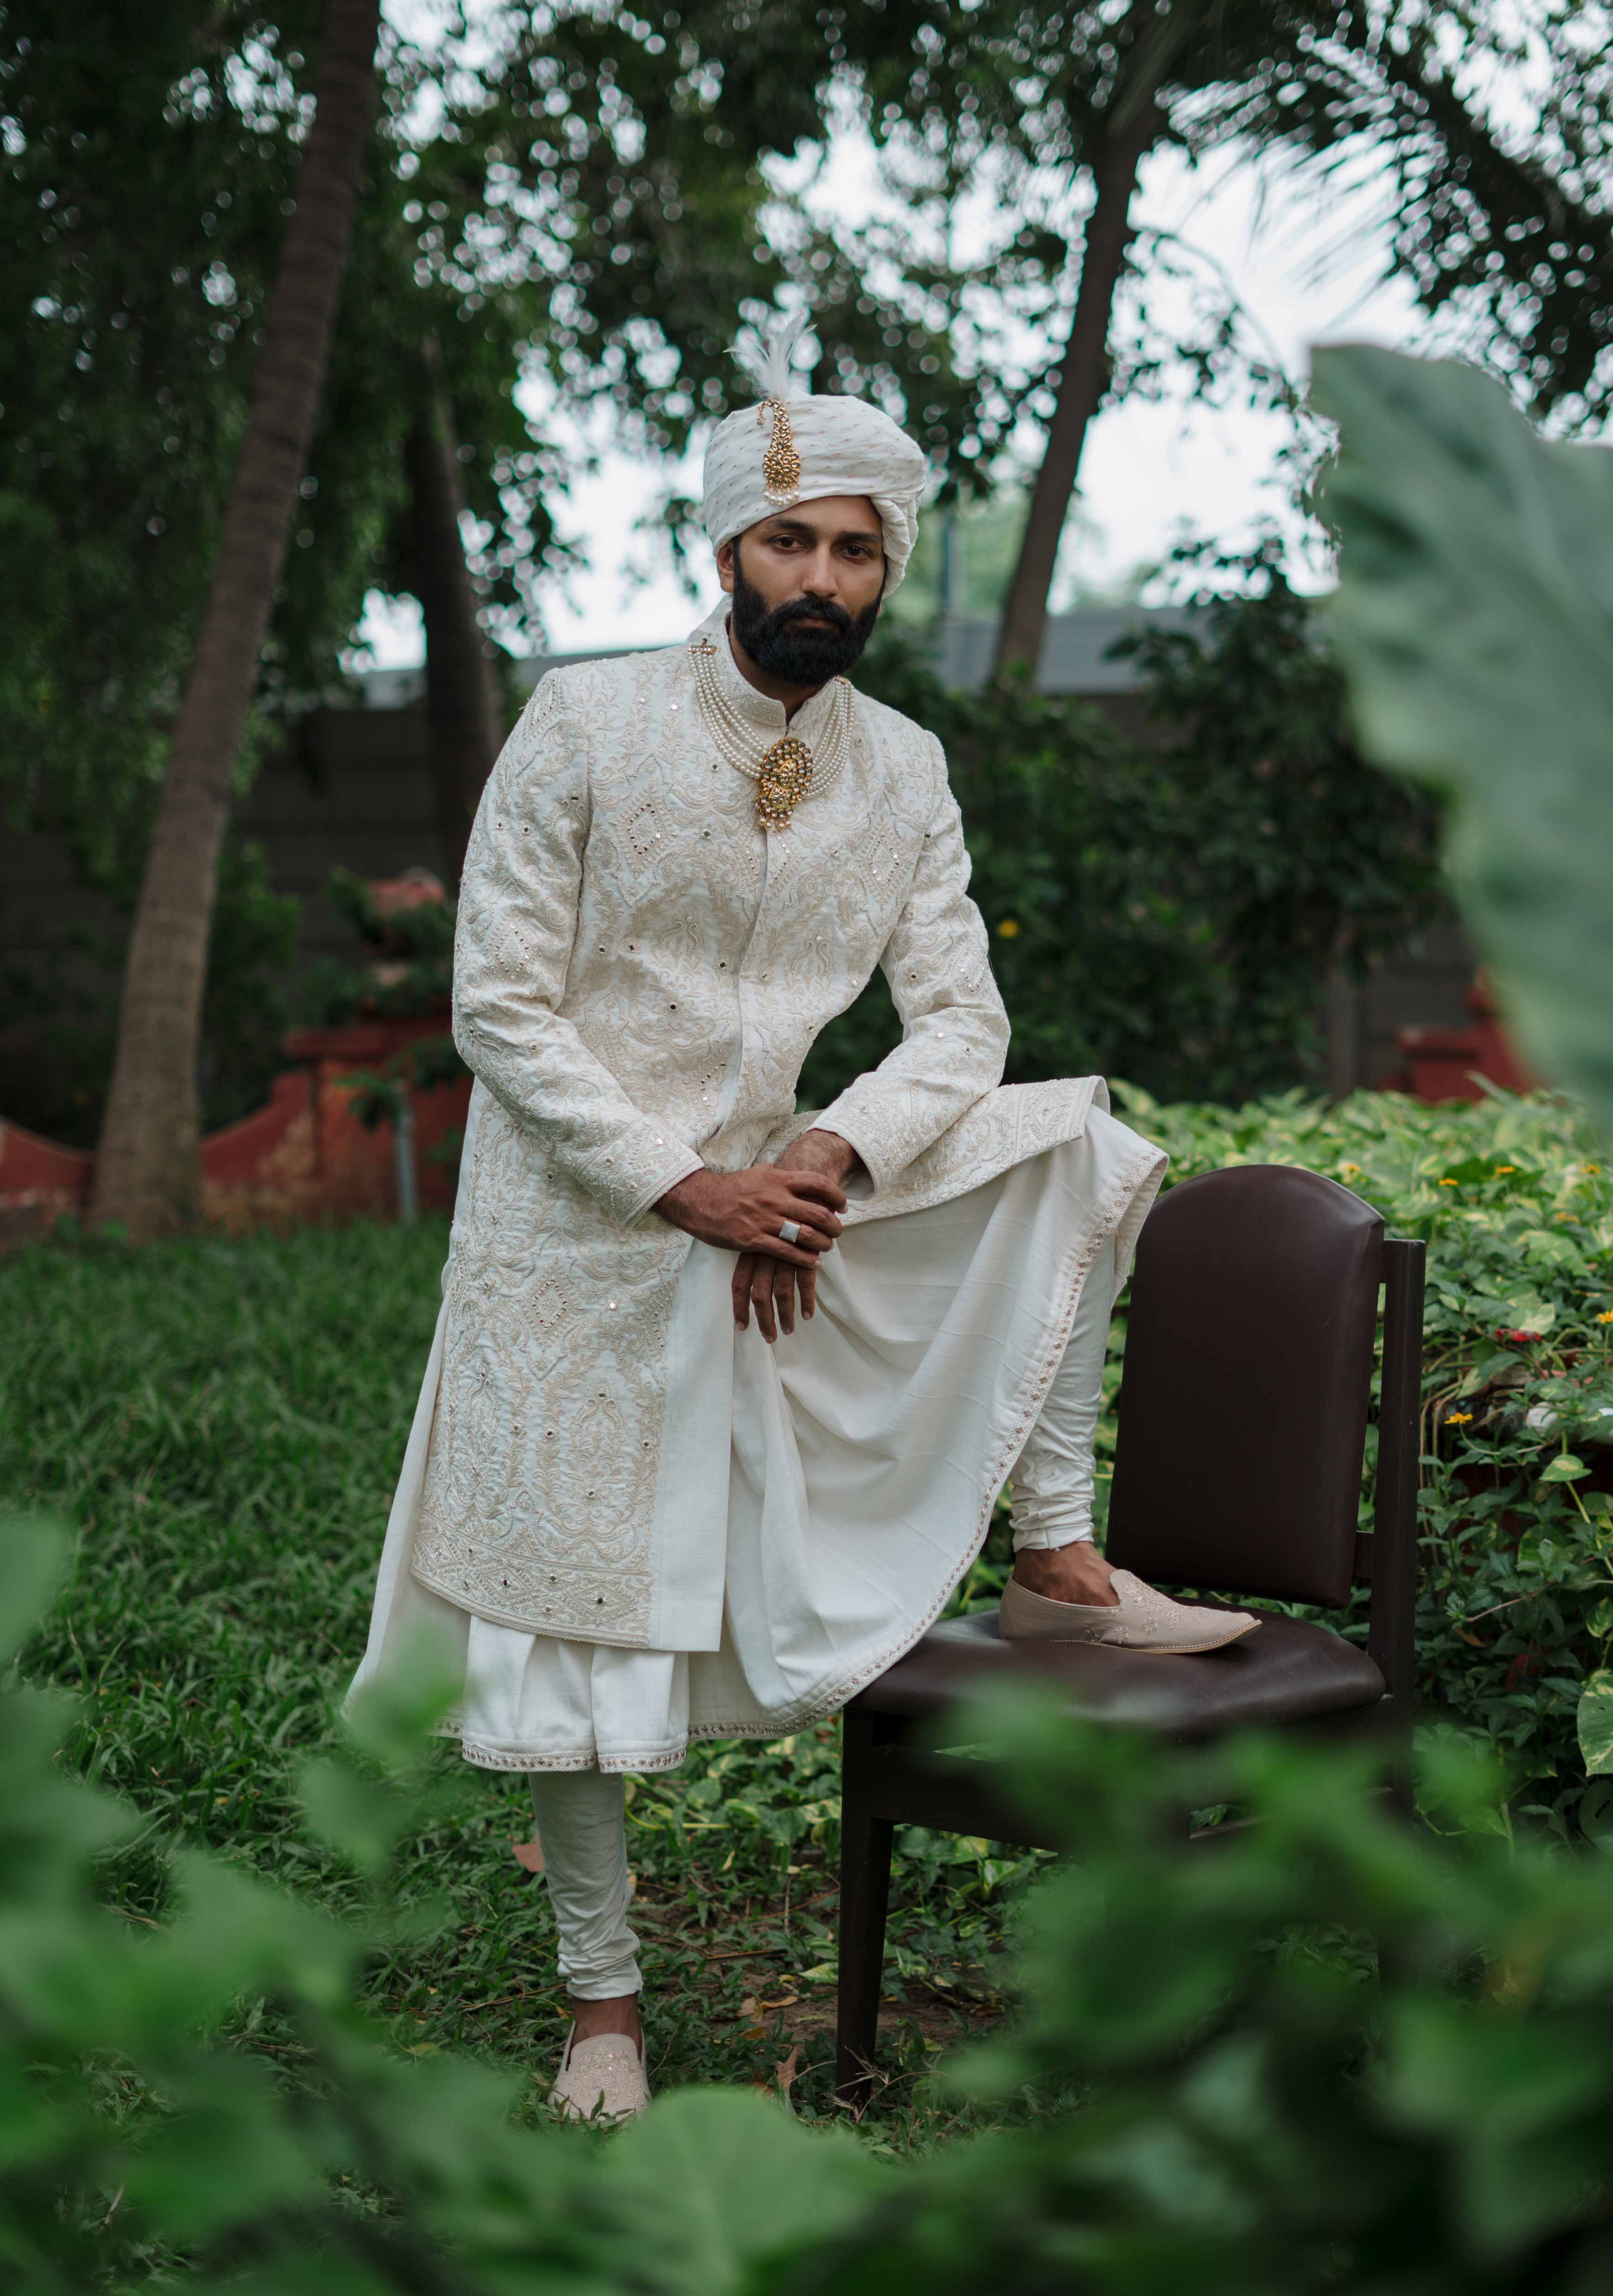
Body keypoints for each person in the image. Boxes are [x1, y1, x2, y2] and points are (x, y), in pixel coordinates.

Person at [349, 316, 1255, 2127]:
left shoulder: (903, 769)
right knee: (575, 1628)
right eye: (791, 542)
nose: (821, 578)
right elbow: (500, 1009)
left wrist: (822, 1163)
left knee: (1075, 1141)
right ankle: (599, 2003)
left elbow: (963, 1023)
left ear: (882, 568)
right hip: (585, 1225)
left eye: (854, 548)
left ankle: (1059, 1561)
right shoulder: (586, 723)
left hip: (792, 1186)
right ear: (725, 549)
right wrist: (692, 1188)